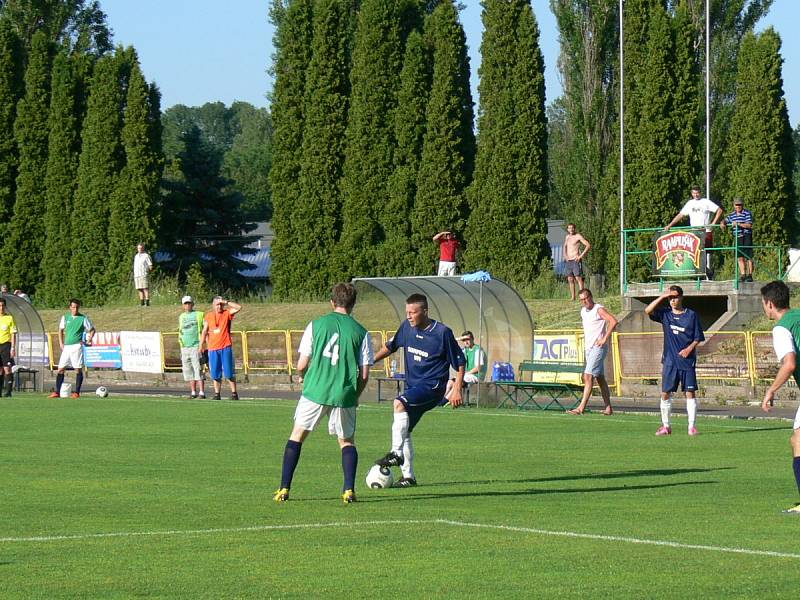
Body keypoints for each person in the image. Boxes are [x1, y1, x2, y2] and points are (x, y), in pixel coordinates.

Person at [273, 283, 373, 504]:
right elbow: (364, 373)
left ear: (332, 302)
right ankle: (348, 489)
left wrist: (303, 375)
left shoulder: (316, 325)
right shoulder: (362, 332)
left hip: (316, 390)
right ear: (353, 304)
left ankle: (284, 488)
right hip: (343, 393)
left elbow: (302, 363)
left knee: (297, 436)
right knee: (347, 442)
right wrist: (355, 394)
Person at [372, 293, 465, 487]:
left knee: (398, 403)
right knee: (404, 430)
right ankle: (408, 477)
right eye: (407, 312)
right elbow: (391, 346)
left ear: (425, 311)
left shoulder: (442, 332)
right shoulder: (407, 328)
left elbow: (460, 361)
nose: (409, 316)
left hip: (433, 387)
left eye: (413, 312)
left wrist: (457, 389)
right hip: (414, 386)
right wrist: (369, 361)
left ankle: (396, 454)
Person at [760, 280, 800, 514]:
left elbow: (789, 363)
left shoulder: (782, 327)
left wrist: (771, 390)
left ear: (770, 304)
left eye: (763, 304)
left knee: (798, 442)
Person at [645, 285, 704, 436]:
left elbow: (698, 337)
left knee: (689, 393)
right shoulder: (665, 314)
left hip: (686, 361)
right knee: (665, 393)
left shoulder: (691, 315)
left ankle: (691, 427)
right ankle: (666, 426)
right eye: (670, 298)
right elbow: (648, 311)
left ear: (681, 297)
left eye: (675, 297)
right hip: (670, 361)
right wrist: (662, 296)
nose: (673, 300)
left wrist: (688, 349)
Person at [568, 288, 617, 415]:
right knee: (600, 378)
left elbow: (613, 321)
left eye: (586, 298)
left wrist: (604, 338)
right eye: (582, 300)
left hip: (598, 347)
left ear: (591, 297)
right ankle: (608, 408)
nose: (584, 301)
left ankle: (581, 408)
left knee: (587, 376)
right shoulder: (583, 311)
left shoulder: (598, 309)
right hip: (589, 348)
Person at [664, 185, 723, 279]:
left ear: (700, 192)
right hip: (695, 232)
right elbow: (681, 215)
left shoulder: (705, 202)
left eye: (697, 193)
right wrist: (670, 225)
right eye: (694, 193)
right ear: (691, 193)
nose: (696, 195)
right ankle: (705, 273)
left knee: (708, 253)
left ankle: (709, 273)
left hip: (705, 230)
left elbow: (719, 210)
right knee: (696, 253)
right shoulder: (690, 203)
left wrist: (713, 223)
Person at [49, 299, 95, 399]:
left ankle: (77, 392)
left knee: (77, 369)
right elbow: (60, 330)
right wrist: (61, 343)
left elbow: (92, 330)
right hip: (67, 346)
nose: (75, 309)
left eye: (77, 307)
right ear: (70, 307)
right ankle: (57, 392)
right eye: (73, 307)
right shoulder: (65, 317)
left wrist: (88, 341)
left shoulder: (83, 318)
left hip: (76, 346)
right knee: (60, 369)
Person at [200, 296, 241, 400]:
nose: (220, 306)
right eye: (217, 304)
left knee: (228, 372)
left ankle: (234, 393)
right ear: (213, 305)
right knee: (215, 373)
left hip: (225, 346)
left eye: (221, 304)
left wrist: (226, 301)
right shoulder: (209, 316)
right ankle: (217, 393)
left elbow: (238, 307)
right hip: (213, 348)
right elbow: (204, 331)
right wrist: (201, 344)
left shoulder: (226, 313)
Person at [178, 295, 206, 399]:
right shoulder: (181, 316)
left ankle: (202, 392)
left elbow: (205, 329)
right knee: (188, 370)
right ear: (183, 306)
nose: (187, 305)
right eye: (185, 304)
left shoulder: (199, 314)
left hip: (195, 345)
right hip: (185, 346)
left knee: (198, 369)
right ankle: (193, 392)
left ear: (192, 304)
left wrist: (202, 344)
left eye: (189, 303)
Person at [445, 330, 486, 399]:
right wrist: (458, 339)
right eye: (464, 340)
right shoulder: (464, 350)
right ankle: (441, 401)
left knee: (457, 382)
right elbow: (451, 344)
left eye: (468, 339)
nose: (466, 342)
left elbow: (479, 367)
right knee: (450, 382)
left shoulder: (478, 350)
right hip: (467, 375)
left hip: (476, 376)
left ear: (472, 339)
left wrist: (465, 374)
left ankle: (446, 400)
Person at [722, 198, 754, 282]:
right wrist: (722, 223)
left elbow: (749, 225)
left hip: (746, 235)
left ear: (742, 205)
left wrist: (738, 224)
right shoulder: (732, 215)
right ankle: (743, 274)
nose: (738, 206)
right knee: (740, 257)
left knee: (748, 256)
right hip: (738, 237)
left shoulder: (747, 213)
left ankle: (750, 275)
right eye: (736, 205)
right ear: (734, 205)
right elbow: (725, 220)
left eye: (740, 205)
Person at [563, 223, 591, 301]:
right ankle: (573, 297)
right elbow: (565, 246)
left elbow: (588, 245)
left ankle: (582, 297)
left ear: (574, 228)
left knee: (578, 278)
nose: (571, 229)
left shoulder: (578, 236)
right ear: (567, 229)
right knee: (570, 279)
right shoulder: (567, 237)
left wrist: (580, 256)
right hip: (569, 261)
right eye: (569, 228)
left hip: (576, 260)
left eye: (572, 228)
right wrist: (565, 256)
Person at [0, 297, 17, 397]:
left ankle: (8, 392)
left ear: (5, 307)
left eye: (2, 306)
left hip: (6, 345)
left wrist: (13, 348)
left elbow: (13, 334)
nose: (1, 308)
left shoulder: (9, 318)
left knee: (7, 368)